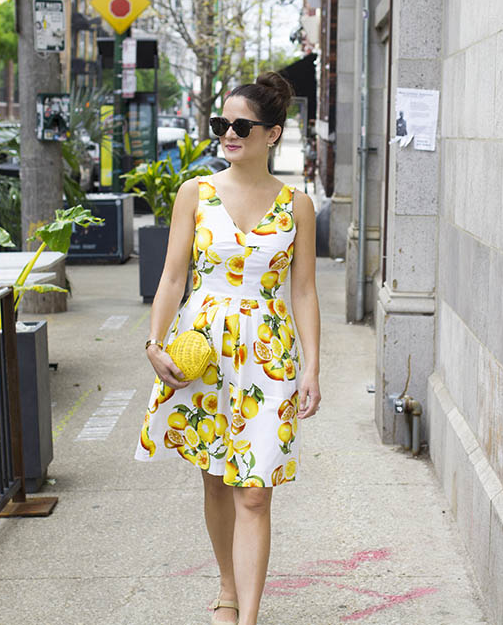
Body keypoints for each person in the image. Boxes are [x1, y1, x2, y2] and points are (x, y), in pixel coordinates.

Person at [135, 71, 322, 625]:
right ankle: (226, 589)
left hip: (269, 355)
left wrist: (313, 366)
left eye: (242, 125)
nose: (229, 134)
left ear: (273, 134)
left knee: (255, 491)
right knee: (216, 479)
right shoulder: (196, 193)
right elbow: (172, 278)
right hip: (204, 350)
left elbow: (305, 290)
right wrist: (154, 342)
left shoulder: (298, 206)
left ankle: (249, 618)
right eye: (222, 124)